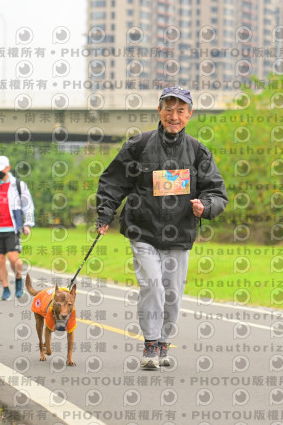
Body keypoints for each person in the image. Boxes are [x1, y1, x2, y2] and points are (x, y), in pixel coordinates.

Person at [96, 86, 228, 369]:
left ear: (189, 114)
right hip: (143, 231)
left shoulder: (198, 151)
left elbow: (216, 192)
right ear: (159, 111)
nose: (174, 116)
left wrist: (205, 206)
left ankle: (163, 341)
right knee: (153, 285)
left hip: (180, 233)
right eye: (168, 110)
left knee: (172, 294)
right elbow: (113, 181)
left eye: (180, 111)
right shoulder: (138, 145)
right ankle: (150, 343)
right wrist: (105, 214)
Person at [0, 155, 34, 300]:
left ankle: (18, 280)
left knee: (14, 259)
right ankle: (6, 288)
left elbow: (27, 205)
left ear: (8, 168)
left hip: (11, 228)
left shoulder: (18, 185)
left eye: (1, 169)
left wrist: (27, 224)